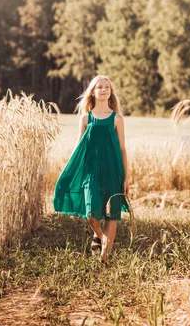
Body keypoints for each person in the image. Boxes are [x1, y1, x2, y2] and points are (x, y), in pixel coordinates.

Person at [53, 75, 130, 265]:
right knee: (91, 214)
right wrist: (70, 170)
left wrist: (126, 177)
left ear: (110, 92)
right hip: (91, 172)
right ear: (93, 92)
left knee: (112, 214)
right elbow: (79, 147)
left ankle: (105, 257)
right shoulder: (86, 118)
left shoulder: (117, 119)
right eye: (100, 87)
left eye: (107, 87)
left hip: (113, 171)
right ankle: (99, 235)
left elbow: (122, 149)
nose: (104, 89)